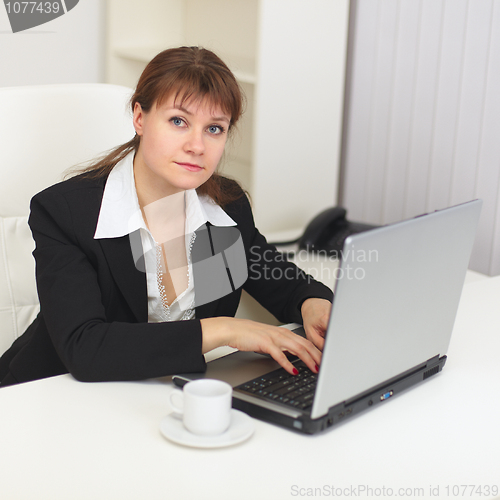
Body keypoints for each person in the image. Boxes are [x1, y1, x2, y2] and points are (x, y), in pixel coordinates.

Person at [0, 46, 333, 388]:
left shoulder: (227, 207)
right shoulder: (65, 214)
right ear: (140, 118)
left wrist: (312, 303)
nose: (197, 145)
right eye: (178, 121)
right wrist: (225, 331)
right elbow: (85, 348)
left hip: (157, 400)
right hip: (47, 398)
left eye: (214, 129)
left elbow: (278, 278)